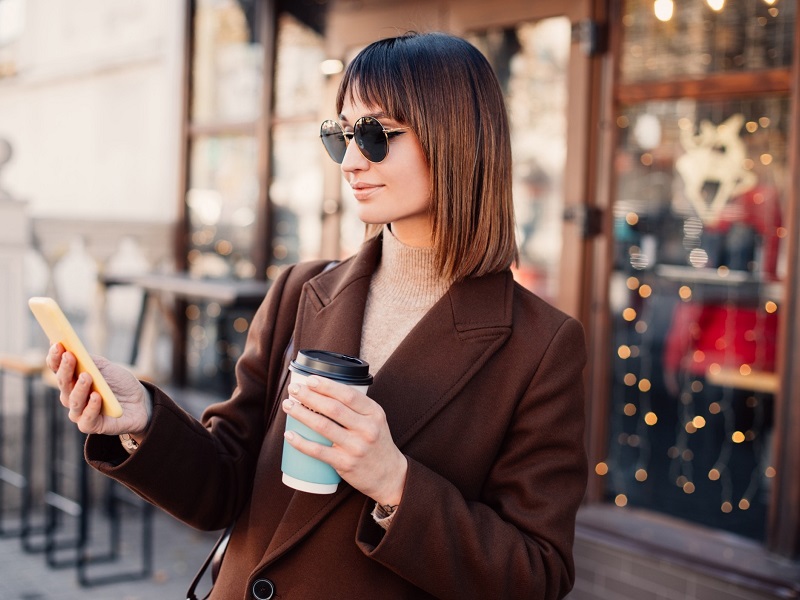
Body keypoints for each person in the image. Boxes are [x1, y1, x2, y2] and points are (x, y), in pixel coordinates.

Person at [47, 32, 588, 600]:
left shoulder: (540, 346)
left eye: (376, 135)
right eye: (343, 135)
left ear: (456, 139)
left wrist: (395, 484)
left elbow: (537, 574)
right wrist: (143, 420)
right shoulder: (302, 289)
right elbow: (226, 486)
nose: (352, 161)